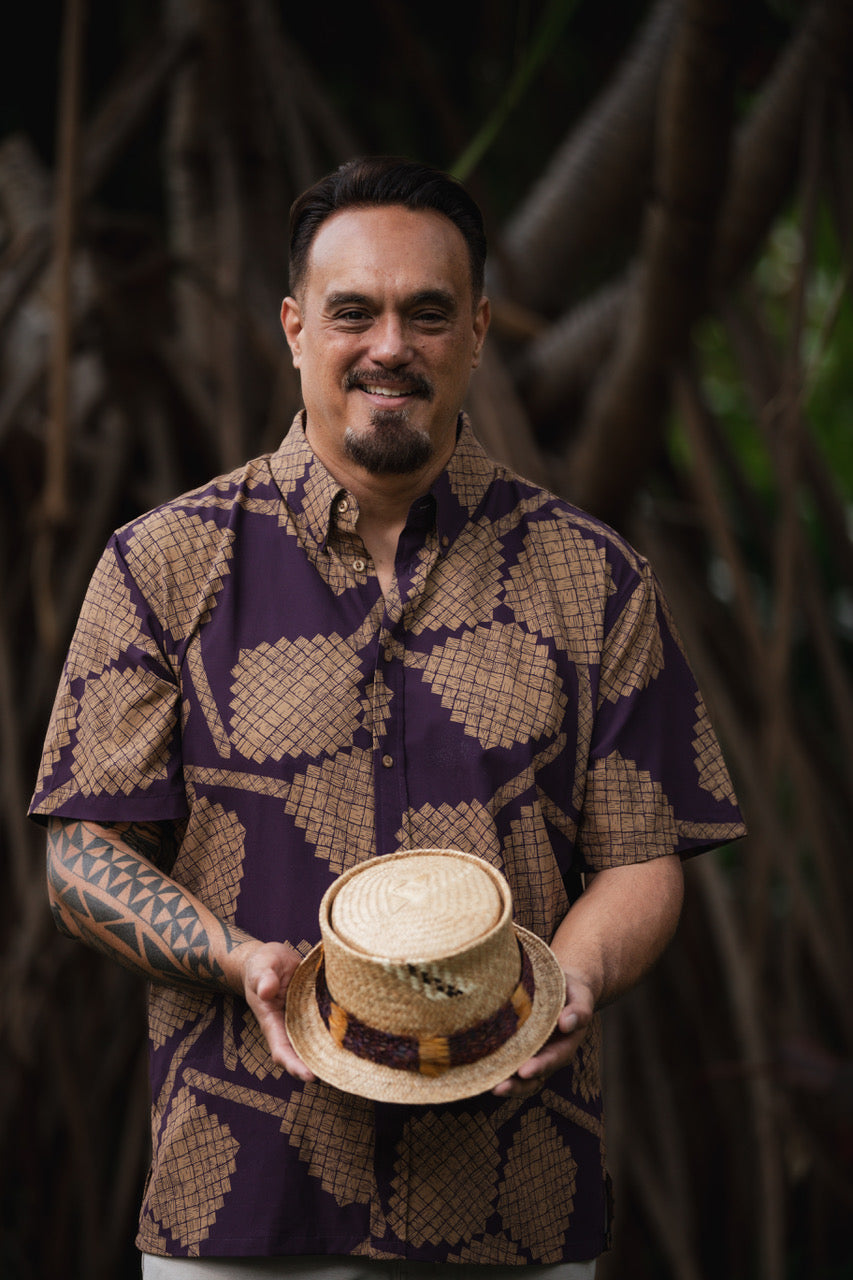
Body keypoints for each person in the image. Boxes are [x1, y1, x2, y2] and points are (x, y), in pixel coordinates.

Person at [31, 156, 746, 1278]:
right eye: (352, 311)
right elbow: (81, 848)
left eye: (426, 312)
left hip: (517, 1194)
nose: (388, 346)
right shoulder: (162, 565)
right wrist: (233, 958)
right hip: (243, 1195)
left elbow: (642, 857)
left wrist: (575, 977)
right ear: (294, 327)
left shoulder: (592, 576)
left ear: (476, 329)